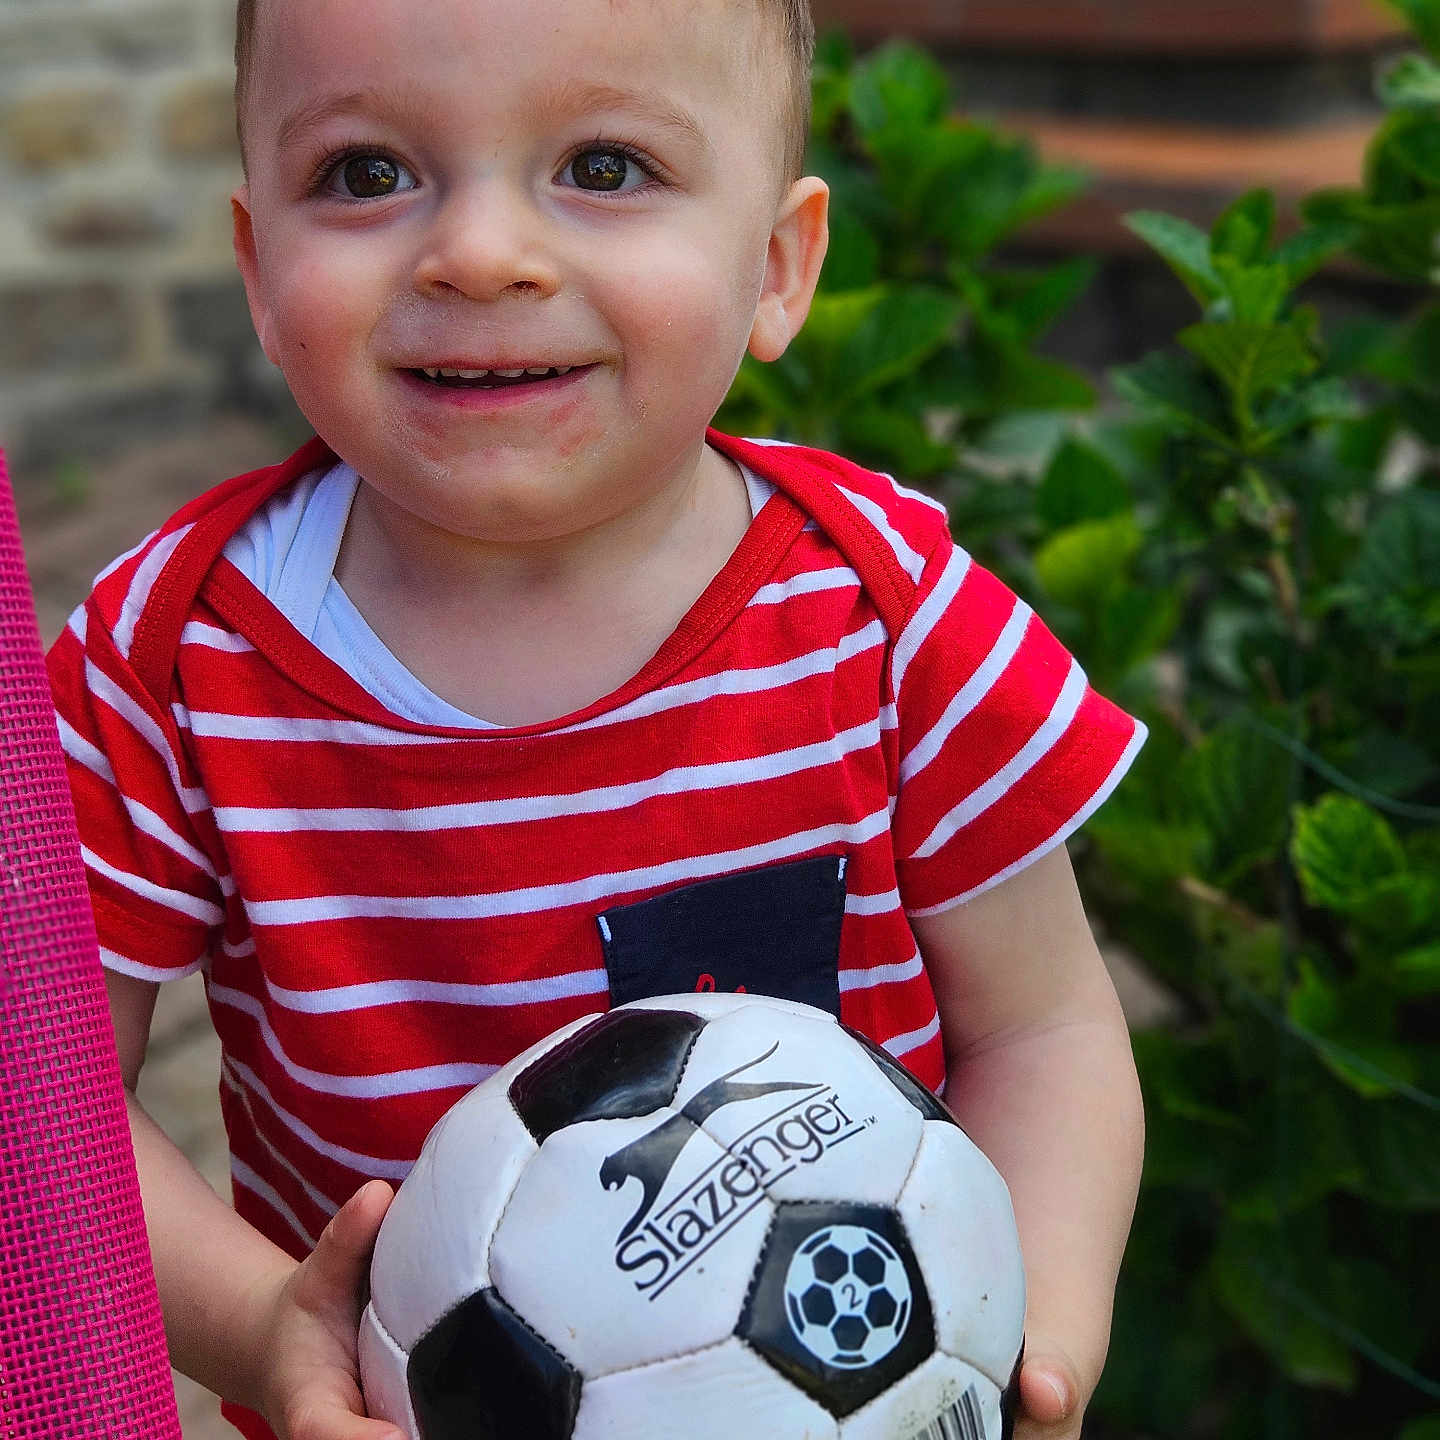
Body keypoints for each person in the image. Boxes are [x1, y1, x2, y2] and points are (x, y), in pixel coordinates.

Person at [46, 0, 1146, 1436]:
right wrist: (263, 1333)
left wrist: (1027, 1336)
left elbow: (1046, 1032)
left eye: (605, 168)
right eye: (367, 174)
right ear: (260, 270)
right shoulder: (169, 663)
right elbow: (48, 1094)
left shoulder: (889, 614)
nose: (479, 253)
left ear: (776, 266)